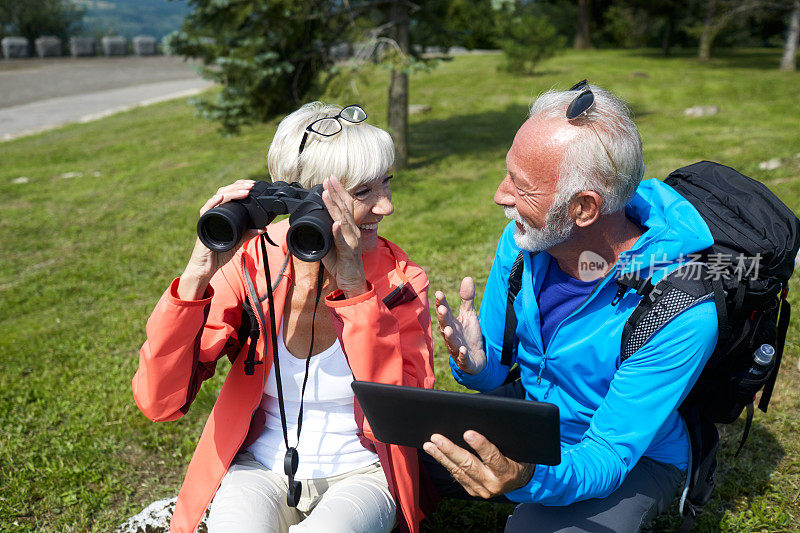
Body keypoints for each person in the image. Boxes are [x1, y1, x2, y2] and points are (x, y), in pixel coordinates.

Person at [427, 82, 719, 532]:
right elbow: (499, 375)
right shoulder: (524, 245)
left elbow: (607, 453)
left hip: (633, 456)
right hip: (538, 421)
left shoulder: (678, 310)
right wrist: (477, 365)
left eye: (522, 189)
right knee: (398, 455)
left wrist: (525, 478)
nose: (500, 196)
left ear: (583, 208)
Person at [133, 102, 435, 533]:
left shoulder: (402, 281)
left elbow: (405, 416)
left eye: (387, 184)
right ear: (308, 198)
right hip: (261, 464)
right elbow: (160, 401)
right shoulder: (251, 265)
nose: (386, 207)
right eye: (364, 192)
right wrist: (198, 274)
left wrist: (355, 289)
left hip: (364, 469)